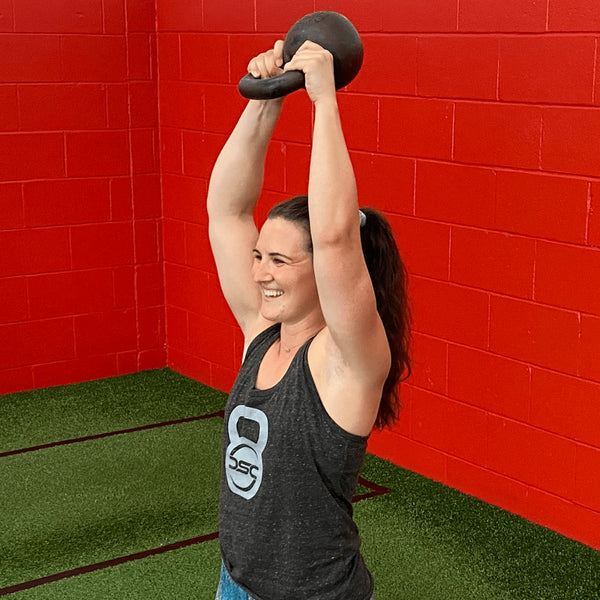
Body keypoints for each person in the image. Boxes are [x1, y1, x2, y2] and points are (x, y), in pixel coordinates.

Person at [207, 39, 410, 600]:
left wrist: (324, 102)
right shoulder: (261, 333)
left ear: (324, 273)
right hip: (236, 584)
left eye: (279, 260)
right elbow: (225, 211)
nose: (260, 273)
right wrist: (265, 100)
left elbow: (336, 234)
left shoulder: (348, 360)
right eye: (258, 256)